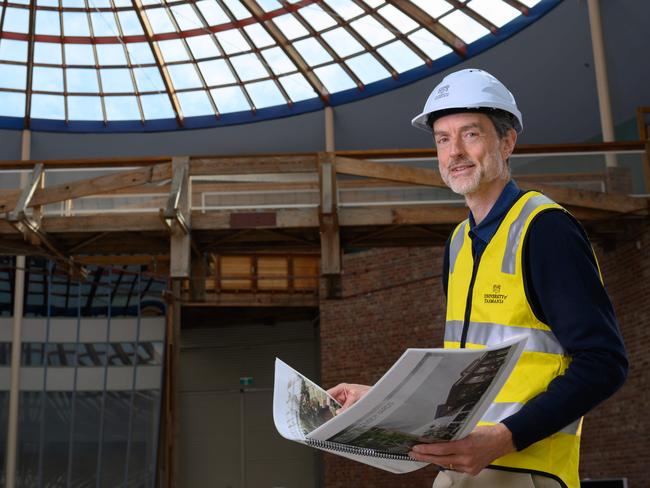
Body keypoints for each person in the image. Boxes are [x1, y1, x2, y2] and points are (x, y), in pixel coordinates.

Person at [327, 69, 628, 488]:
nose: (455, 153)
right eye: (443, 139)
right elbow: (465, 375)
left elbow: (604, 362)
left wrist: (503, 438)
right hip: (459, 471)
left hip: (526, 470)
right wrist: (380, 402)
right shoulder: (458, 243)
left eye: (470, 134)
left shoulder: (546, 230)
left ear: (507, 142)